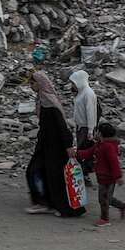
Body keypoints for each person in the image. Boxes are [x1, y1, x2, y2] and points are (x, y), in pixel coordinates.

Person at [25, 70, 85, 217]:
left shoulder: (49, 102)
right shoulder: (42, 99)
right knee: (39, 172)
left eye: (32, 83)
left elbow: (61, 125)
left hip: (56, 146)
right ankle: (45, 202)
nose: (31, 86)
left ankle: (61, 207)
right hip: (46, 143)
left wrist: (68, 145)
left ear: (40, 83)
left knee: (53, 176)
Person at [76, 122, 125, 227]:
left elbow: (114, 162)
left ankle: (105, 219)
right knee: (108, 198)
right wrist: (76, 153)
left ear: (101, 134)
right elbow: (88, 152)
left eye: (97, 131)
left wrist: (118, 177)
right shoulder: (99, 145)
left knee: (103, 199)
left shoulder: (107, 146)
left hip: (108, 178)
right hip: (102, 177)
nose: (96, 133)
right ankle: (122, 206)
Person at [69, 70, 98, 184]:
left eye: (74, 83)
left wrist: (91, 130)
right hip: (80, 126)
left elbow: (91, 113)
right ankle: (83, 173)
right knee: (82, 150)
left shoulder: (88, 93)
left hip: (86, 128)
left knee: (84, 152)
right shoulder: (81, 92)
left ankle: (85, 174)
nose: (72, 86)